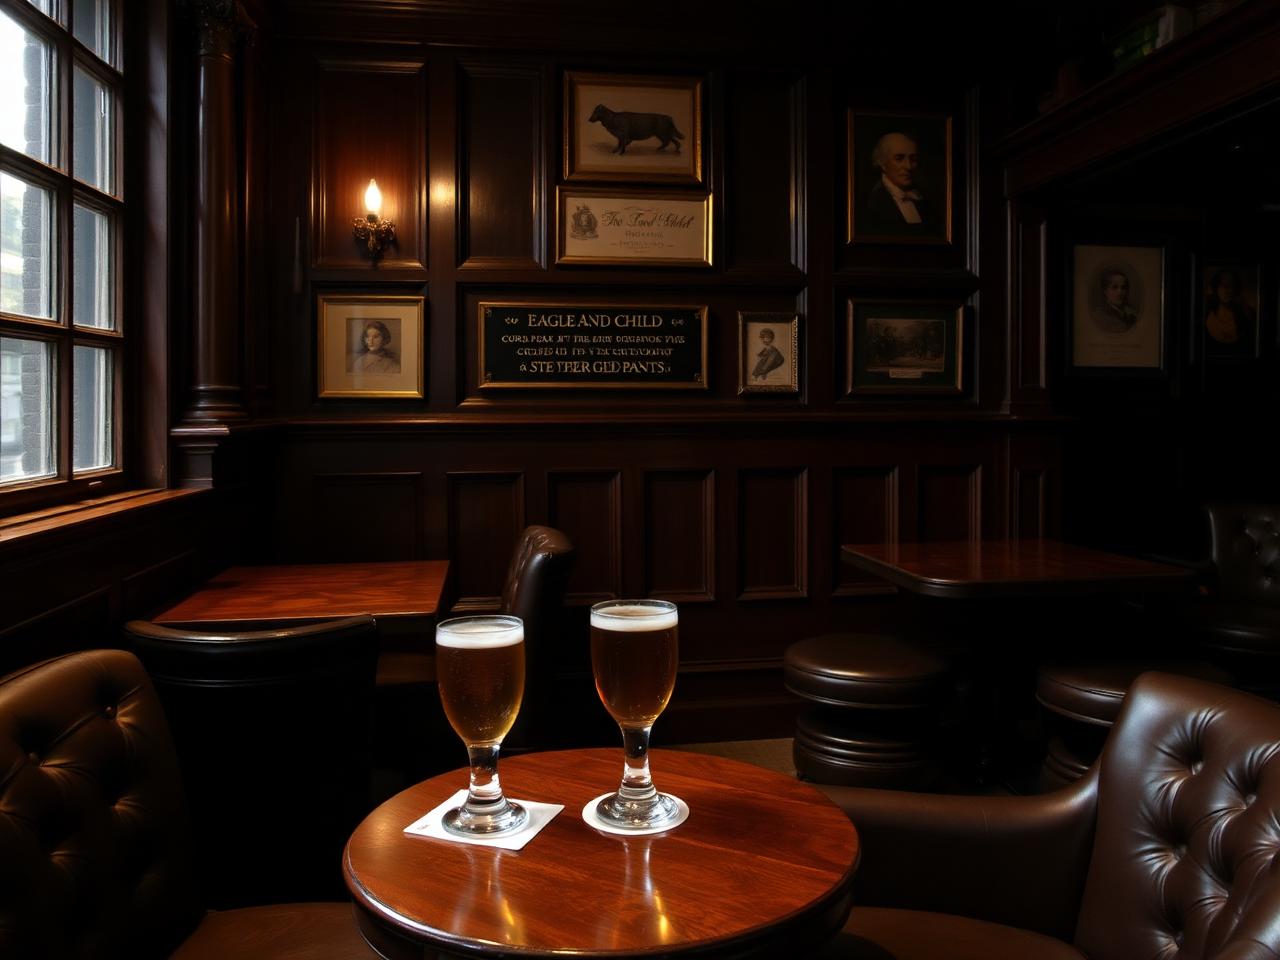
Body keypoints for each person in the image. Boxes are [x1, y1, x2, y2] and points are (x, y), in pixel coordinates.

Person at [864, 131, 930, 235]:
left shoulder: (923, 198)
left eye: (913, 159)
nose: (908, 166)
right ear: (882, 162)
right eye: (899, 158)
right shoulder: (872, 201)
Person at [1204, 269, 1255, 349]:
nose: (1226, 288)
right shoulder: (1206, 310)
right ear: (1216, 287)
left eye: (1230, 284)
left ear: (1235, 288)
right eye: (1222, 284)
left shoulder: (1245, 313)